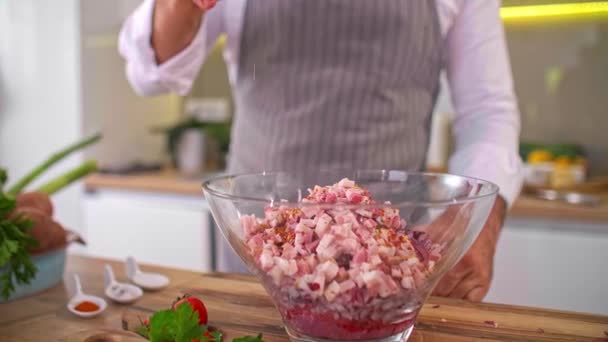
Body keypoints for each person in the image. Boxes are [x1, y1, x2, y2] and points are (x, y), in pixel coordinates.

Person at [118, 0, 524, 302]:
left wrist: (476, 223)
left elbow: (488, 113)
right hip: (261, 255)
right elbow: (152, 73)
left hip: (392, 260)